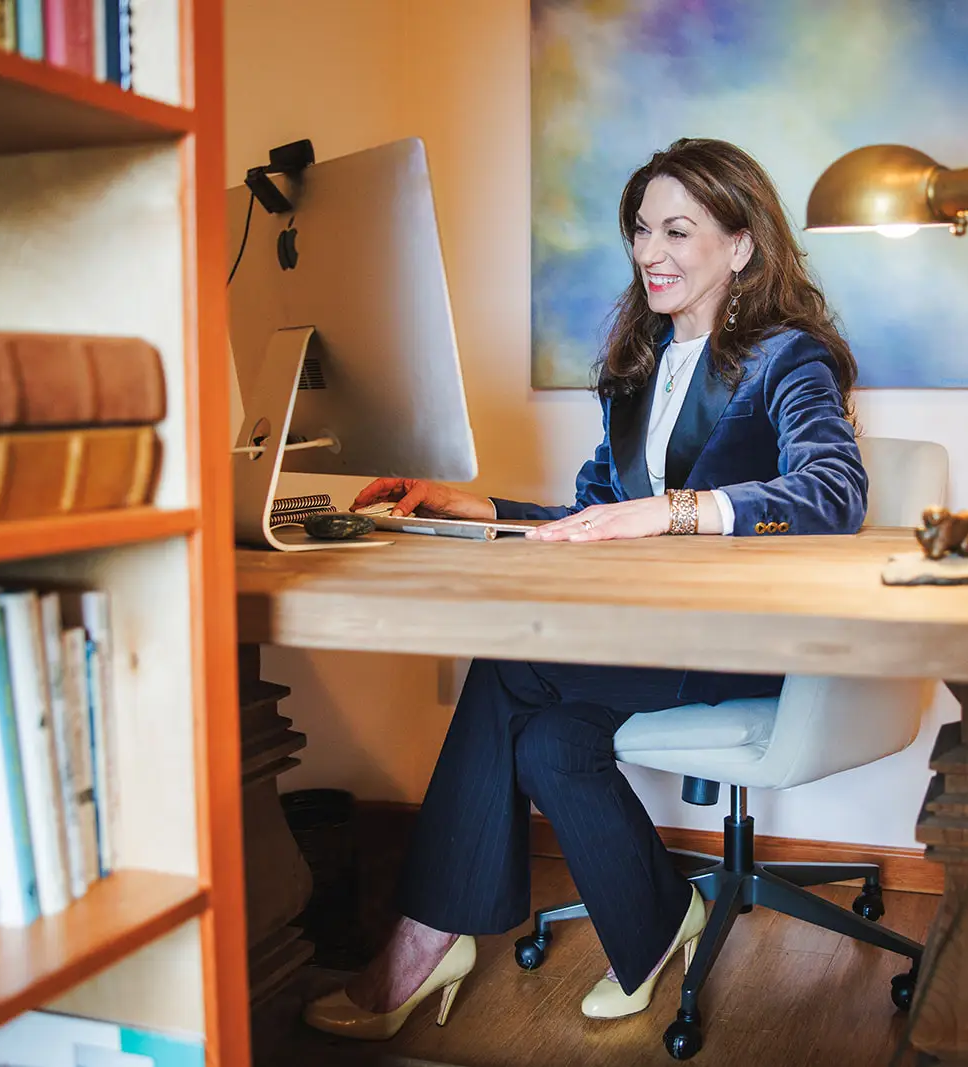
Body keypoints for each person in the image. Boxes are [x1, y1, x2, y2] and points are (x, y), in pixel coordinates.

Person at [302, 138, 867, 1040]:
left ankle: (423, 935)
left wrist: (672, 511)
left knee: (510, 666)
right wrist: (482, 505)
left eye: (679, 230)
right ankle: (656, 920)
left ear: (742, 246)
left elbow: (833, 494)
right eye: (642, 229)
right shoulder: (638, 368)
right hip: (651, 640)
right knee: (552, 742)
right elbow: (596, 514)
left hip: (751, 643)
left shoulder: (787, 360)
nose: (651, 252)